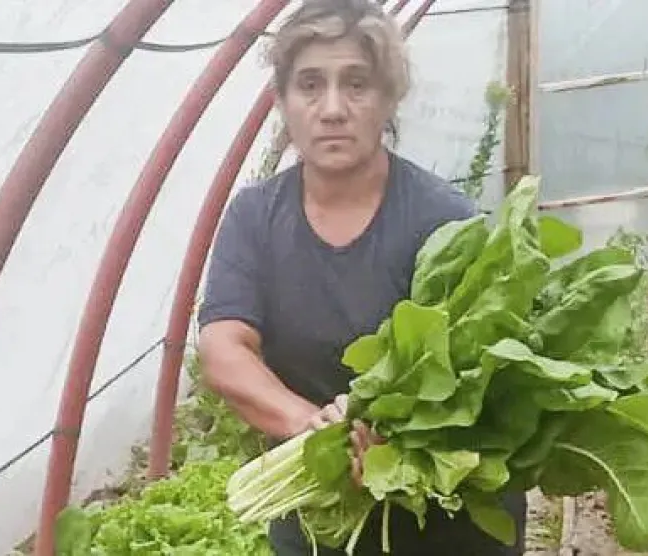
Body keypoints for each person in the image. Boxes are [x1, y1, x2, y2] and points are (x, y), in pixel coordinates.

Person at [196, 0, 527, 554]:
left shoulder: (445, 223)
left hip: (449, 525)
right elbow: (224, 345)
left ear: (389, 98)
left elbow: (479, 383)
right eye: (309, 85)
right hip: (321, 517)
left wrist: (394, 441)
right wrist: (316, 430)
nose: (332, 109)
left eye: (356, 84)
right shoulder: (255, 217)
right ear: (282, 101)